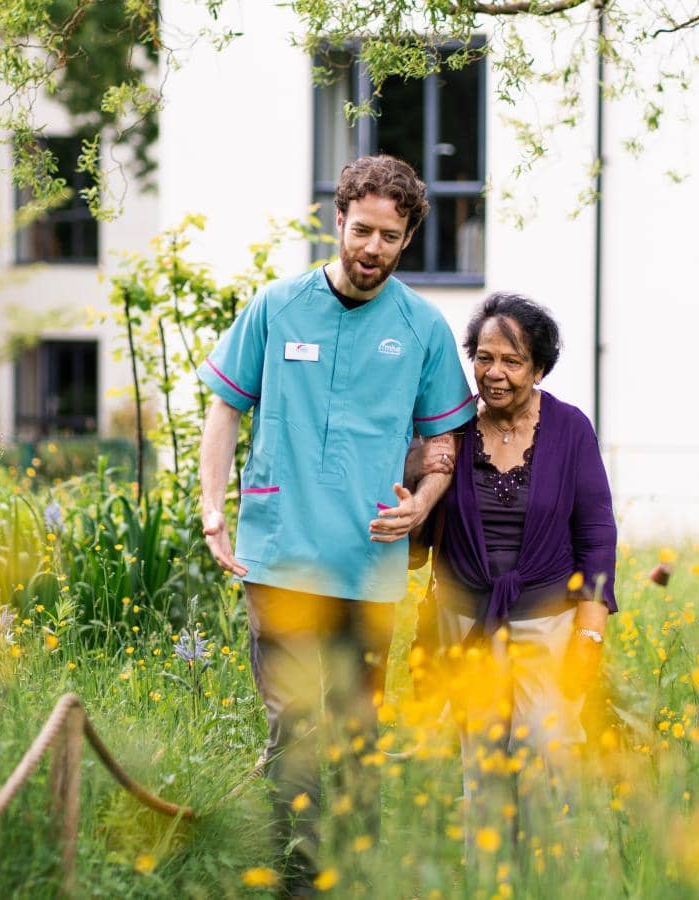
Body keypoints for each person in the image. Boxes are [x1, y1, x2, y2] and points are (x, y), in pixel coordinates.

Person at [196, 154, 475, 896]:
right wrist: (211, 508)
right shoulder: (276, 307)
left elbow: (444, 441)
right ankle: (294, 871)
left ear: (407, 236)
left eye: (388, 235)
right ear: (338, 222)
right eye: (360, 230)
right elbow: (226, 408)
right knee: (294, 718)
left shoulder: (423, 328)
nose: (371, 248)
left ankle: (356, 867)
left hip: (368, 562)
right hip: (279, 548)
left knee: (357, 724)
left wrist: (423, 502)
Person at [419, 291, 618, 868]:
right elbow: (420, 515)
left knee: (548, 755)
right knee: (480, 762)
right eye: (483, 358)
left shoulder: (569, 428)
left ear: (539, 368)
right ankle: (487, 880)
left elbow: (598, 532)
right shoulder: (451, 427)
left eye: (511, 361)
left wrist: (590, 628)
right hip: (466, 623)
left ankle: (549, 877)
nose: (494, 374)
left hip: (548, 620)